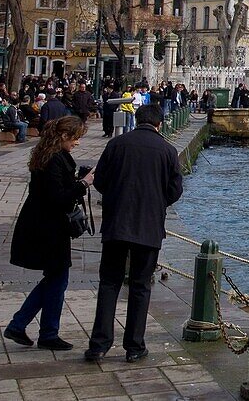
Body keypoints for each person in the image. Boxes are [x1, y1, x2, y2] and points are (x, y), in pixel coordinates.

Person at [85, 103, 183, 363]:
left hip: (117, 223)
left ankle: (99, 344)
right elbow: (175, 191)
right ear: (159, 124)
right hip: (149, 226)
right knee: (140, 286)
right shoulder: (168, 151)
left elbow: (101, 181)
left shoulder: (117, 145)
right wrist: (156, 201)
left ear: (136, 119)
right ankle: (134, 346)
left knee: (109, 283)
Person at [5, 117, 94, 350]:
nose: (77, 143)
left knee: (55, 278)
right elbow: (58, 198)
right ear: (64, 136)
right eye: (75, 138)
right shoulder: (54, 159)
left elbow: (55, 189)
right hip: (47, 228)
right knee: (57, 278)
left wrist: (77, 180)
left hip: (43, 225)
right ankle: (42, 331)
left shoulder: (48, 155)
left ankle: (26, 326)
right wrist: (83, 184)